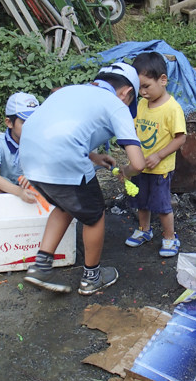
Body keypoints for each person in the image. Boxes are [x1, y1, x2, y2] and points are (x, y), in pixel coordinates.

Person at [19, 63, 146, 295]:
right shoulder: (116, 104)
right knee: (95, 215)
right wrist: (126, 172)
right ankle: (92, 277)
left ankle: (40, 266)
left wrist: (94, 157)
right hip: (64, 159)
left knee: (65, 205)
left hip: (29, 157)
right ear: (127, 92)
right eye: (130, 101)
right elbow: (138, 163)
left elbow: (60, 130)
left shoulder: (69, 91)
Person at [125, 51, 186, 257]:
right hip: (140, 165)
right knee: (141, 201)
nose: (142, 92)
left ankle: (170, 237)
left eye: (146, 86)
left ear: (162, 80)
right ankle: (144, 230)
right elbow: (134, 130)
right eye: (139, 87)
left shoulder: (172, 109)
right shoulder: (141, 104)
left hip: (160, 168)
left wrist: (159, 155)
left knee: (161, 205)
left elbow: (180, 138)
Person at [0, 92, 39, 203]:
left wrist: (35, 175)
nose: (31, 127)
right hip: (8, 188)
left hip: (33, 186)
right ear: (9, 122)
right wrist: (19, 192)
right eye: (24, 122)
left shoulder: (41, 142)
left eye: (34, 121)